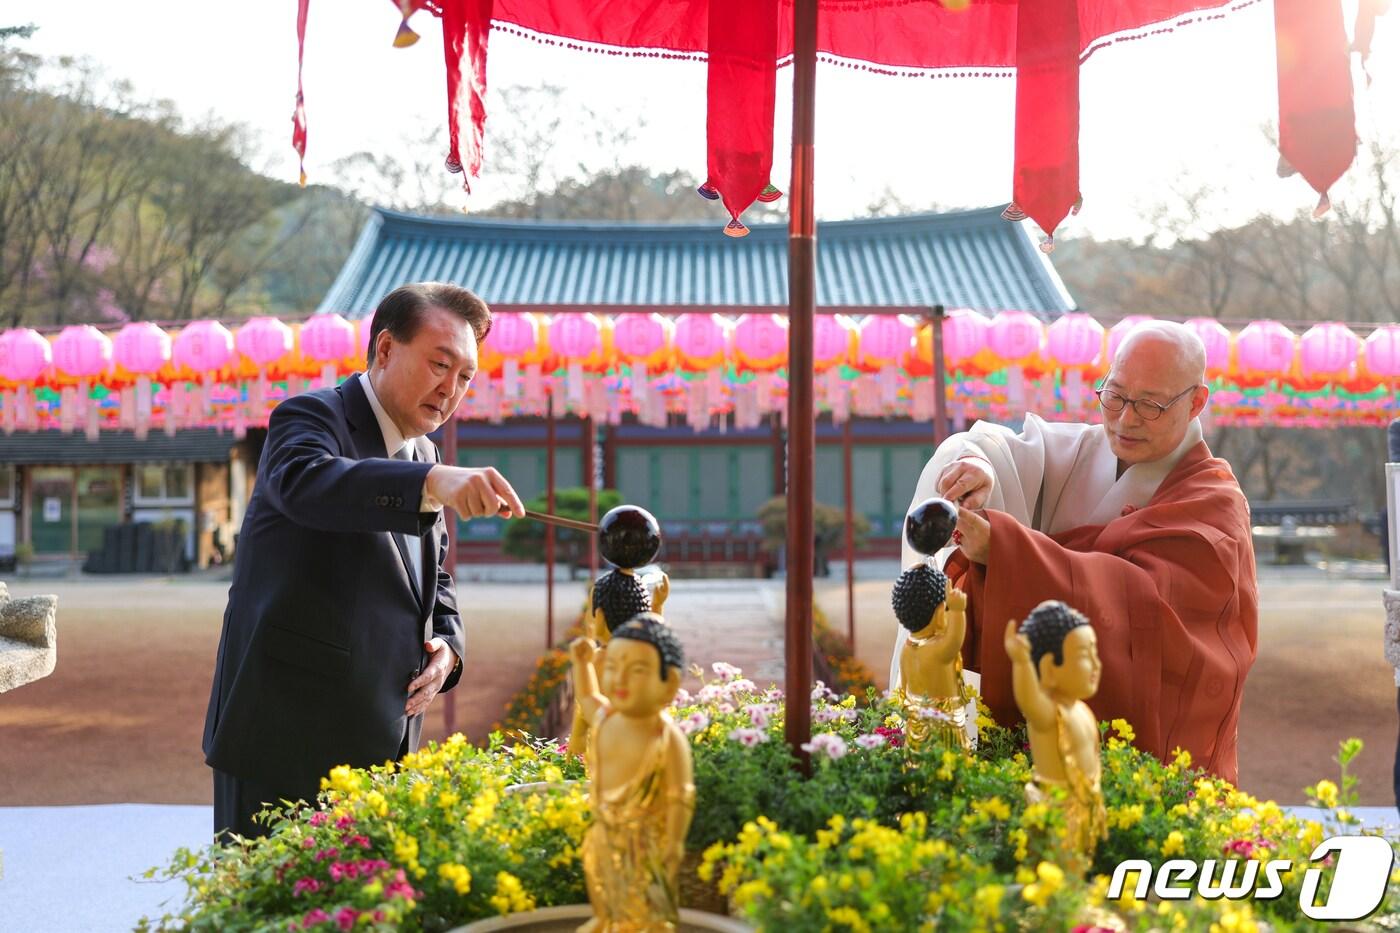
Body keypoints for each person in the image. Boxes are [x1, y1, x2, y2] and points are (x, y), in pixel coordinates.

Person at [202, 281, 526, 840]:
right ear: (384, 350)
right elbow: (311, 484)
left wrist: (448, 647)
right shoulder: (310, 418)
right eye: (439, 364)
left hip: (383, 739)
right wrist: (431, 481)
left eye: (465, 376)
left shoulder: (425, 453)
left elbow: (436, 580)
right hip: (283, 736)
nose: (451, 389)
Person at [891, 321, 1257, 783]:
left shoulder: (1214, 504)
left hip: (1139, 760)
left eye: (1150, 405)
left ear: (1196, 402)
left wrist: (1004, 552)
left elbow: (1154, 620)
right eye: (1116, 395)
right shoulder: (1081, 451)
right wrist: (979, 469)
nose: (1126, 419)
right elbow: (995, 447)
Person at [570, 614, 695, 931]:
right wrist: (583, 664)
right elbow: (587, 697)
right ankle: (606, 919)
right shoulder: (607, 718)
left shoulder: (665, 736)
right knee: (602, 884)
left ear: (670, 684)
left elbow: (681, 795)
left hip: (646, 839)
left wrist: (675, 842)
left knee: (644, 904)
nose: (620, 679)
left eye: (637, 670)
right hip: (605, 829)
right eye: (612, 667)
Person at [1005, 601, 1107, 873]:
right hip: (1059, 807)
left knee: (1084, 859)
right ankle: (1061, 907)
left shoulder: (1081, 710)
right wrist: (1022, 662)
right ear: (1050, 668)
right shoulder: (1049, 713)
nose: (1097, 664)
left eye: (1095, 653)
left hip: (1085, 804)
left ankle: (1076, 899)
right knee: (1062, 865)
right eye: (1086, 655)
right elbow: (1028, 700)